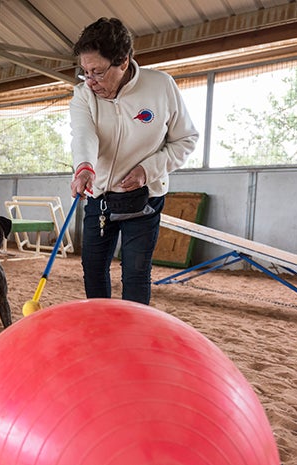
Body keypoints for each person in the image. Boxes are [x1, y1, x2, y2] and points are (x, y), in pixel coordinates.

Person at [69, 18, 198, 305]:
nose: (91, 82)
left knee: (136, 274)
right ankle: (102, 331)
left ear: (123, 62)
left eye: (98, 72)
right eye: (85, 72)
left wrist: (147, 171)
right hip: (99, 195)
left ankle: (133, 343)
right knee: (93, 270)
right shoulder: (83, 95)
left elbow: (185, 139)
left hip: (145, 197)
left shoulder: (161, 86)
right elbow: (83, 135)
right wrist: (84, 167)